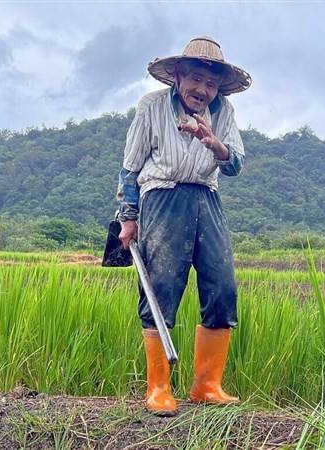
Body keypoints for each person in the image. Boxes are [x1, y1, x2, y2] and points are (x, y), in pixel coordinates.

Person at [117, 36, 251, 416]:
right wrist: (129, 217)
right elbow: (130, 167)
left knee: (222, 286)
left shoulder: (224, 113)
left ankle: (207, 386)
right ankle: (158, 388)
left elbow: (236, 163)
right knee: (161, 287)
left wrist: (214, 144)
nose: (202, 90)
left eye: (210, 84)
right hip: (162, 196)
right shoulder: (152, 107)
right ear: (178, 77)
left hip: (206, 197)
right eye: (195, 79)